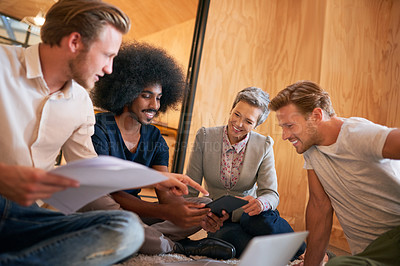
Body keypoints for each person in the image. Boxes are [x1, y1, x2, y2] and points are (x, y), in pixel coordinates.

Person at [0, 1, 201, 265]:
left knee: (125, 227)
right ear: (75, 42)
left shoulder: (81, 102)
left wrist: (156, 179)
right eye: (108, 55)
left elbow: (90, 171)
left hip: (31, 218)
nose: (109, 69)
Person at [80, 42, 236, 260]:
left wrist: (189, 214)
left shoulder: (155, 139)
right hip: (108, 210)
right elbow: (110, 193)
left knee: (204, 205)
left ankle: (143, 239)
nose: (155, 105)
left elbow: (165, 194)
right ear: (127, 93)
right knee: (110, 211)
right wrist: (166, 213)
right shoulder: (100, 128)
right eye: (146, 95)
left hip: (138, 215)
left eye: (159, 97)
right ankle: (177, 247)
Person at [269, 80, 400, 266]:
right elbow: (319, 206)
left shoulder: (356, 133)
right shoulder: (311, 150)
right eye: (282, 127)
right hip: (369, 254)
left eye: (290, 126)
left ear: (316, 115)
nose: (284, 135)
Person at [185, 87, 306, 259]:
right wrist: (200, 216)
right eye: (236, 114)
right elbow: (190, 190)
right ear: (231, 110)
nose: (238, 124)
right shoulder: (205, 136)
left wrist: (261, 204)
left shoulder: (263, 145)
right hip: (221, 221)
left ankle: (305, 251)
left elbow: (271, 193)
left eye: (248, 121)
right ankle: (282, 253)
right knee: (228, 243)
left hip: (253, 216)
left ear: (257, 125)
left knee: (264, 222)